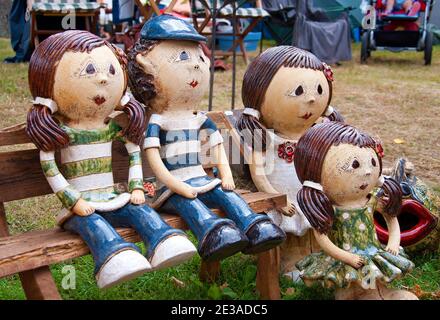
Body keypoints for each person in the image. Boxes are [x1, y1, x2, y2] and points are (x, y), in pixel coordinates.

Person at [26, 30, 196, 289]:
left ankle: (164, 240)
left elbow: (133, 152)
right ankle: (111, 256)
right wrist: (73, 201)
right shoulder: (64, 133)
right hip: (81, 204)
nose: (104, 79)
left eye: (111, 71)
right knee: (92, 223)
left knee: (140, 210)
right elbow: (49, 167)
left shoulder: (110, 129)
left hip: (112, 197)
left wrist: (136, 187)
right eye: (90, 70)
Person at [127, 14, 286, 262]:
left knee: (227, 194)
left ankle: (254, 225)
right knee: (188, 203)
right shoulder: (158, 121)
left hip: (201, 178)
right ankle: (212, 233)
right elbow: (155, 161)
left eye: (200, 58)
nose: (196, 66)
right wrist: (176, 185)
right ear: (145, 66)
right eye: (182, 57)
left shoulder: (198, 118)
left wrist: (227, 175)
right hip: (172, 188)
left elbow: (217, 145)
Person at [236, 46, 343, 281]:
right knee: (291, 230)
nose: (312, 99)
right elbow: (259, 174)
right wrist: (276, 198)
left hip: (311, 195)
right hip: (284, 198)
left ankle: (320, 256)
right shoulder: (264, 138)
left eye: (318, 90)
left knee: (315, 229)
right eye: (298, 91)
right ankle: (290, 261)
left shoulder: (318, 133)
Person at [294, 121, 418, 300]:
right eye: (355, 165)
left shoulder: (372, 199)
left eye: (372, 163)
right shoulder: (328, 208)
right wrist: (346, 257)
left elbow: (391, 219)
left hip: (372, 252)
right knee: (345, 288)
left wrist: (393, 242)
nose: (368, 172)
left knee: (373, 281)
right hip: (345, 258)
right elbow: (322, 239)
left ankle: (377, 295)